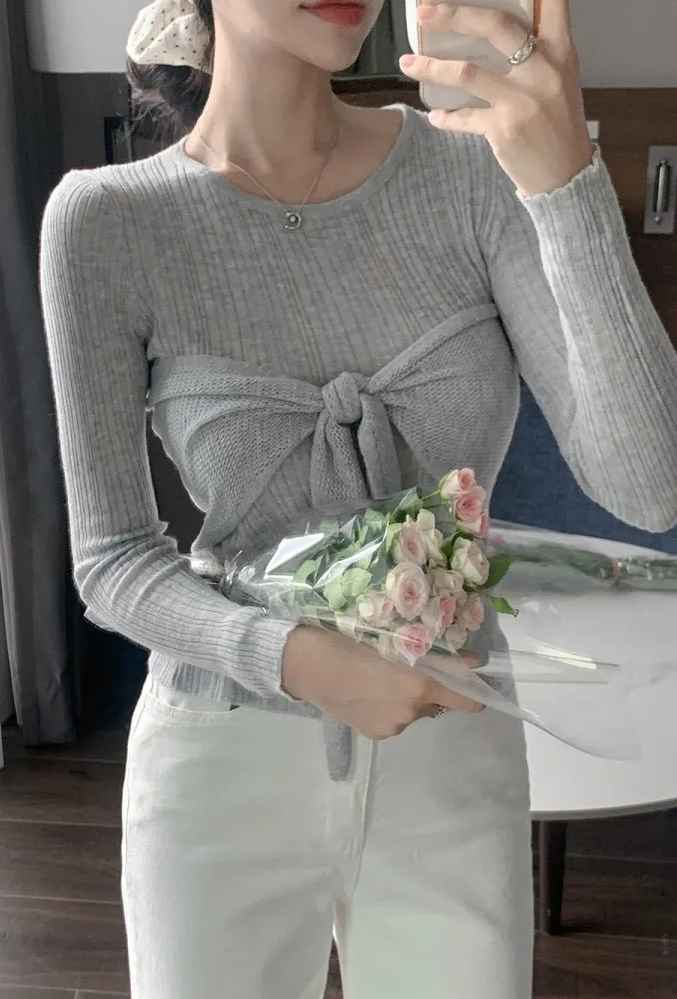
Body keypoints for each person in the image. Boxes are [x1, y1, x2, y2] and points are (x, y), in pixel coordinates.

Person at [39, 1, 677, 996]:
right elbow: (112, 559)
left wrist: (566, 182)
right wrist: (296, 659)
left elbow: (649, 485)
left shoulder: (471, 174)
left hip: (454, 746)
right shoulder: (107, 222)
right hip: (221, 767)